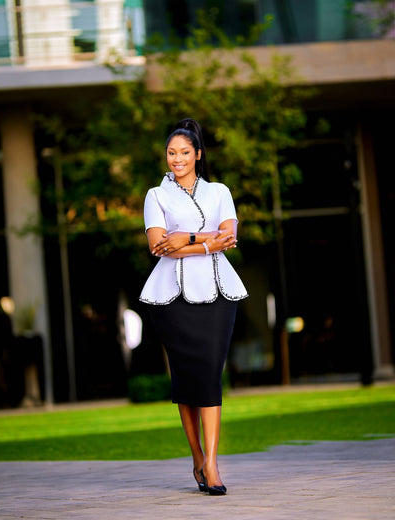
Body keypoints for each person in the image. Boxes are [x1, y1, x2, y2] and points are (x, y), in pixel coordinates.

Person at [139, 118, 248, 495]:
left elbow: (229, 235)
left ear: (198, 155)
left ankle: (213, 465)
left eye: (185, 152)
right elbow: (157, 245)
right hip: (171, 299)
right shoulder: (156, 196)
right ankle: (198, 457)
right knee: (186, 381)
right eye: (172, 153)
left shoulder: (220, 191)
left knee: (209, 374)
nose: (178, 159)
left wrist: (183, 240)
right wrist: (205, 240)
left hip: (219, 294)